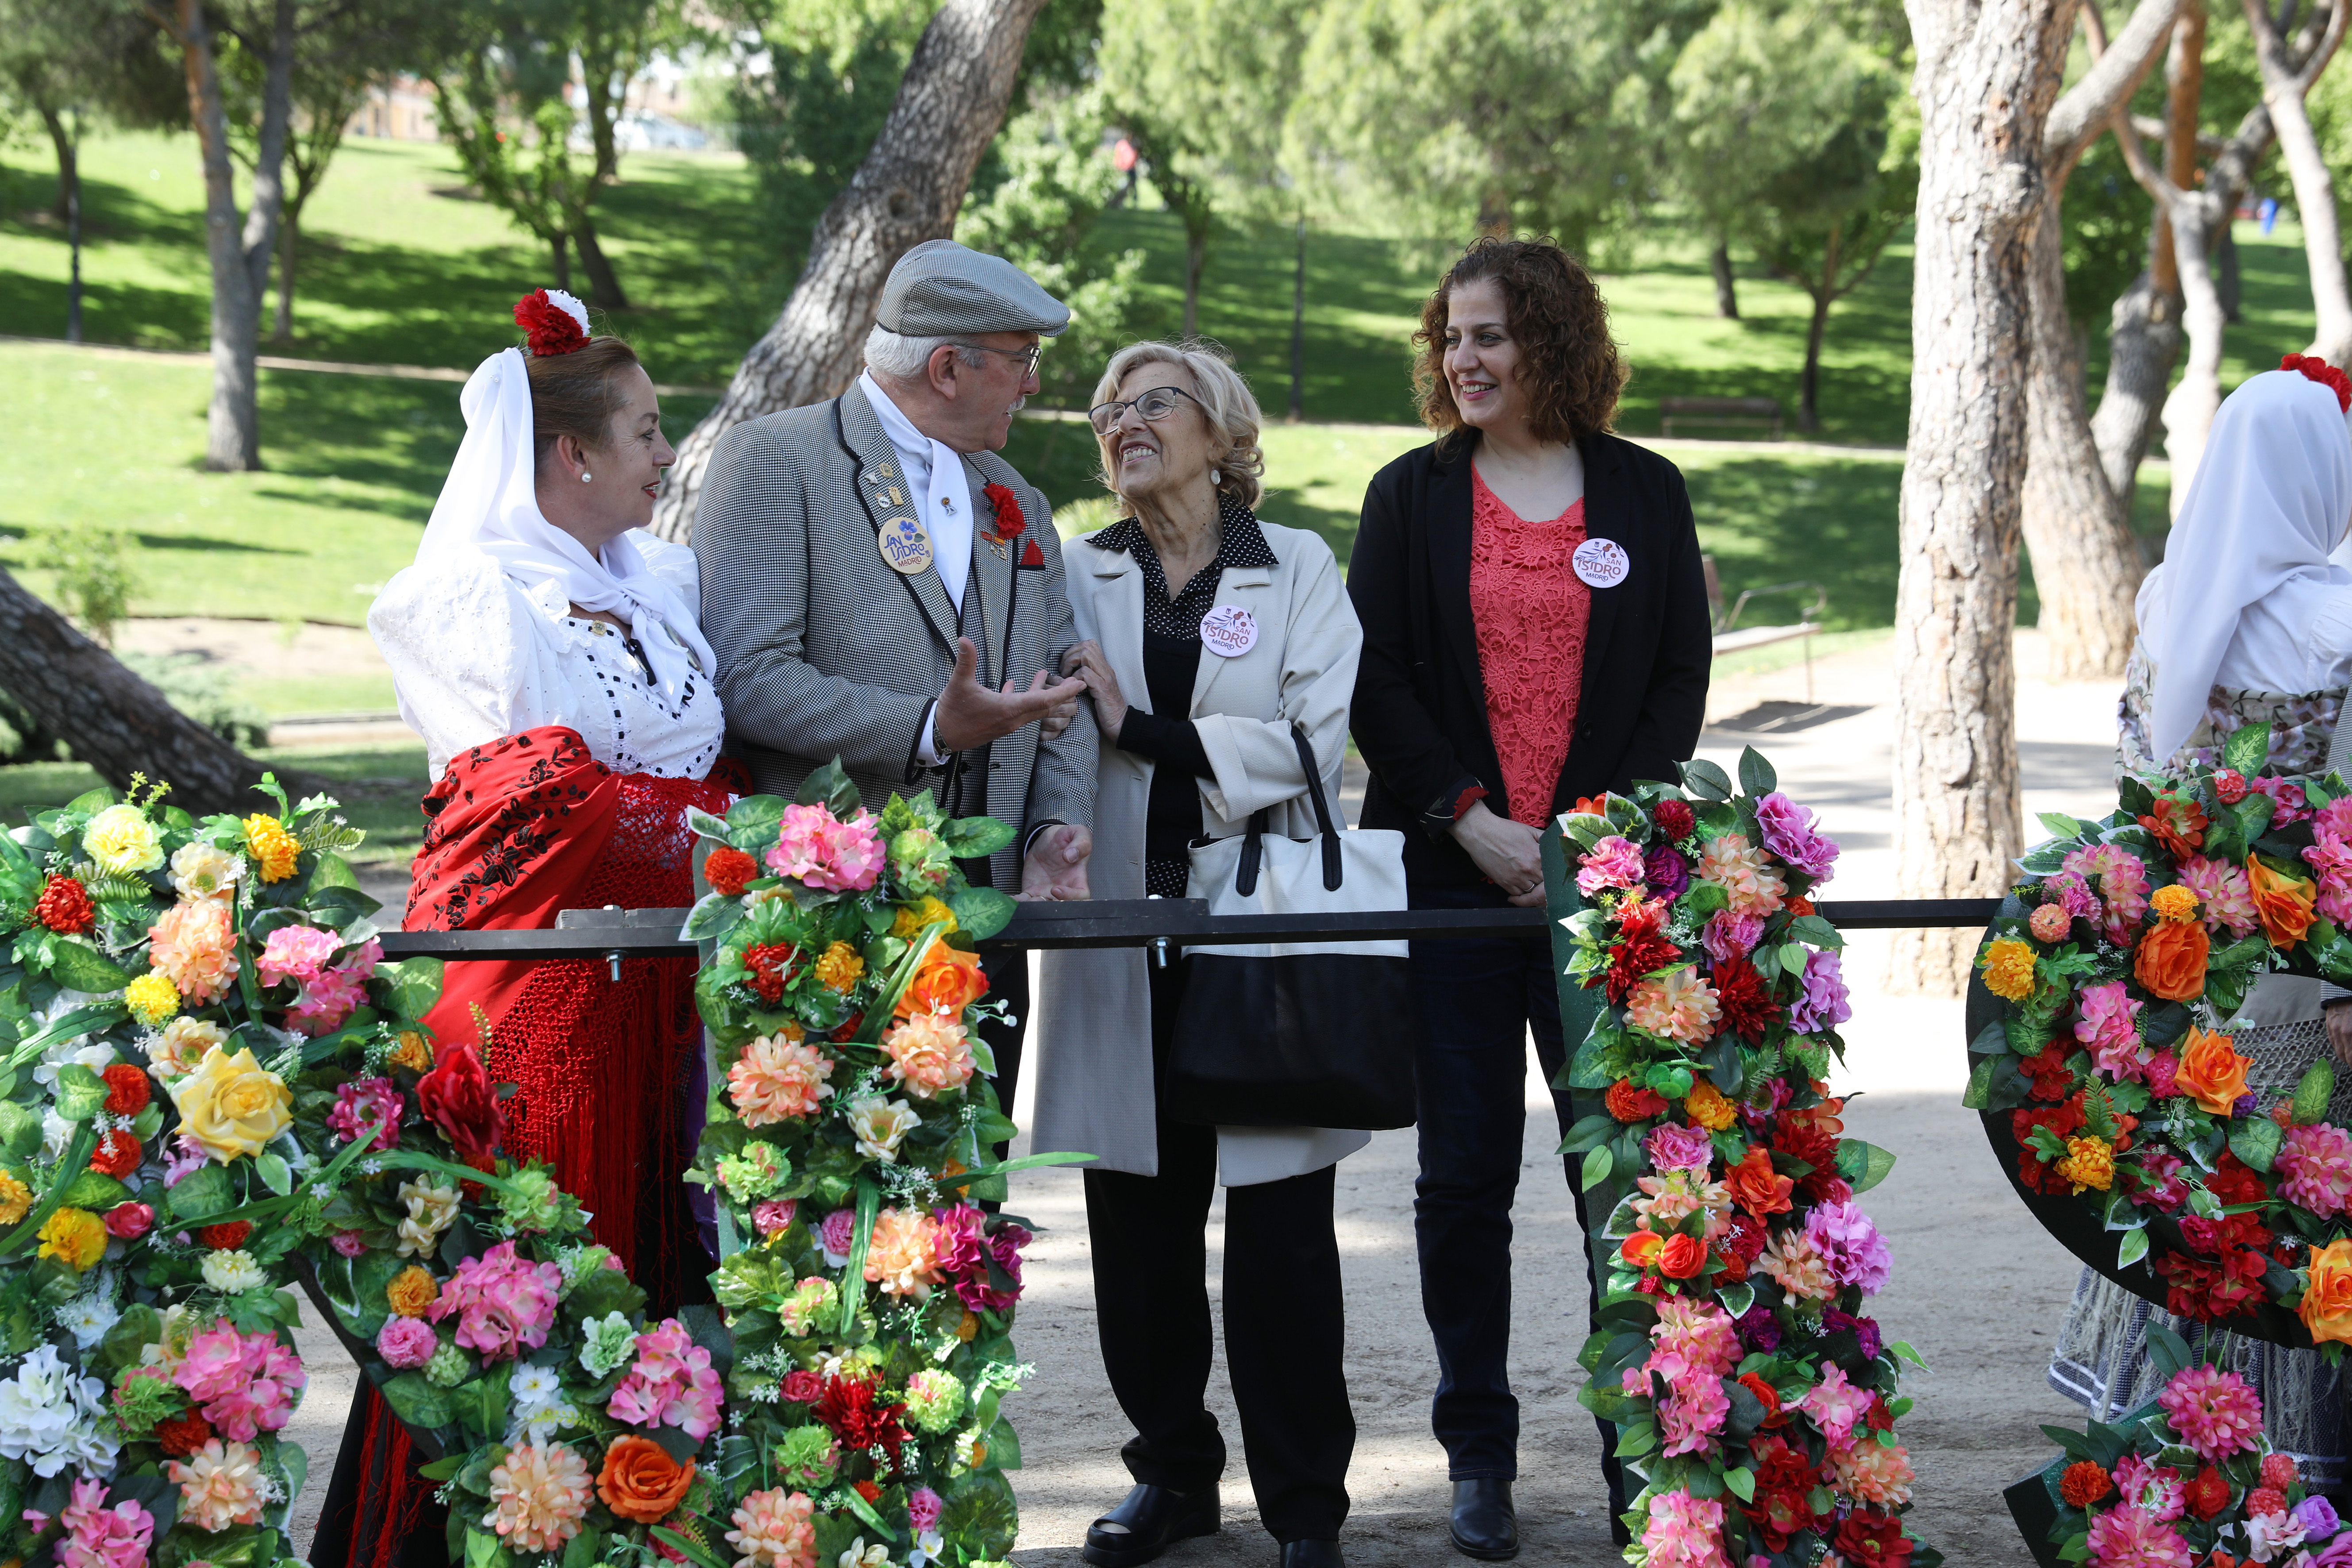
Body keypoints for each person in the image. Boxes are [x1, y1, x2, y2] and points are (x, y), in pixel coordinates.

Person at [316, 289, 735, 1568]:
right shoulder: (474, 597)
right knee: (526, 1293)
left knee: (639, 1295)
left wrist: (697, 817)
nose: (667, 456)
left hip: (645, 993)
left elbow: (642, 788)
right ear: (572, 454)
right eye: (649, 431)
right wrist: (725, 828)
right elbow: (535, 806)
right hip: (526, 1003)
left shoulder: (654, 584)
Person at [1345, 237, 1711, 1559]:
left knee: (1619, 1186)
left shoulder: (1645, 493)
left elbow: (1676, 680)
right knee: (1461, 1184)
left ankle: (1643, 1443)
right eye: (1450, 336)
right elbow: (1375, 682)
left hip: (1603, 900)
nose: (1464, 359)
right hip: (1451, 887)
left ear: (1551, 340)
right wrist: (1471, 821)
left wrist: (1583, 839)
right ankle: (1477, 1455)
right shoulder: (1409, 497)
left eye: (1490, 334)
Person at [1030, 341, 1364, 1568]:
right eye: (1107, 406)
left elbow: (1307, 743)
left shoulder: (1297, 569)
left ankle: (1304, 1509)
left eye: (1150, 401)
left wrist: (1145, 731)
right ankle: (1171, 1474)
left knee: (1281, 1242)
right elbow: (1048, 731)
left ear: (1221, 431)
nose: (1122, 421)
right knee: (1136, 1231)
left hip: (1254, 932)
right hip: (1121, 934)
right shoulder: (1079, 572)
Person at [691, 239, 1096, 1141]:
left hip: (984, 924)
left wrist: (1047, 833)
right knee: (818, 1230)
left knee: (962, 1225)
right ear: (950, 367)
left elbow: (1066, 682)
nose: (1032, 385)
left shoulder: (1018, 500)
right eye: (1023, 360)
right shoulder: (774, 459)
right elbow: (747, 676)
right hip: (824, 924)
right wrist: (923, 726)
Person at [2050, 359, 2352, 1487]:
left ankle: (2170, 1476)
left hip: (2182, 981)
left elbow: (2143, 788)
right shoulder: (2338, 621)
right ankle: (2294, 1489)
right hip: (2308, 997)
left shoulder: (2173, 598)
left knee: (2194, 1206)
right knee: (2301, 1213)